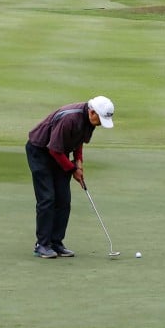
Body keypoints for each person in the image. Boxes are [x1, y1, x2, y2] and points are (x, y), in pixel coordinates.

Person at [25, 95, 115, 258]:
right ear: (92, 112)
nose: (101, 123)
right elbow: (53, 150)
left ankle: (56, 242)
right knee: (47, 198)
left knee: (63, 199)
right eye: (100, 119)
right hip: (40, 150)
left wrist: (79, 163)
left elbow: (77, 141)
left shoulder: (90, 120)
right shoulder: (70, 118)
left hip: (60, 152)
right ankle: (42, 245)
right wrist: (72, 169)